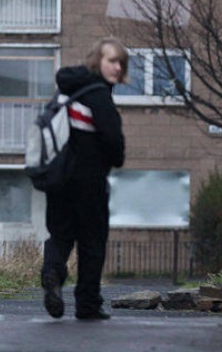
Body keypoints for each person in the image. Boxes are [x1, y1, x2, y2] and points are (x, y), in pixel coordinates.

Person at [40, 37, 128, 320]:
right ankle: (88, 304)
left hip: (58, 179)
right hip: (89, 181)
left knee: (61, 235)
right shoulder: (98, 94)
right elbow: (112, 139)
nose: (117, 67)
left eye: (120, 63)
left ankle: (52, 273)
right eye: (112, 61)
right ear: (97, 61)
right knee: (92, 242)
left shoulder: (66, 90)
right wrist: (116, 158)